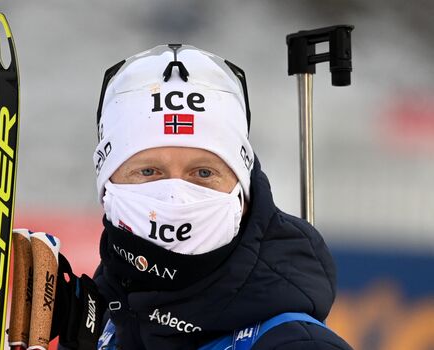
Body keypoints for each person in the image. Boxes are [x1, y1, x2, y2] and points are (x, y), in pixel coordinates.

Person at [53, 44, 353, 350]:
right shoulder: (102, 325)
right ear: (107, 188)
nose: (174, 197)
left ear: (242, 193)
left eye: (203, 173)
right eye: (148, 172)